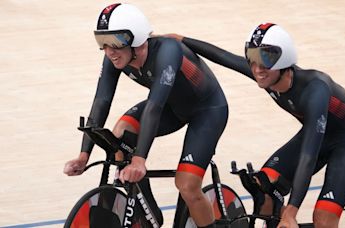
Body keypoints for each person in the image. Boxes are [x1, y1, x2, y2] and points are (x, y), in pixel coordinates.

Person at [165, 23, 345, 228]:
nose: (257, 69)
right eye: (252, 60)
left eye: (265, 61)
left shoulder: (316, 91)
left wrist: (291, 211)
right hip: (316, 133)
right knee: (265, 186)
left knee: (324, 219)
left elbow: (309, 157)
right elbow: (224, 57)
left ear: (285, 60)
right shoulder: (267, 73)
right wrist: (182, 39)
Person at [63, 3, 229, 227]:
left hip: (207, 111)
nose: (108, 50)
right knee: (120, 135)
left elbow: (154, 107)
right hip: (172, 107)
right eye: (101, 42)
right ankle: (148, 213)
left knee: (187, 186)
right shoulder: (115, 56)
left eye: (114, 41)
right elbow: (102, 100)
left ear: (137, 39)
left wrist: (140, 160)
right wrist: (84, 155)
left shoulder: (168, 50)